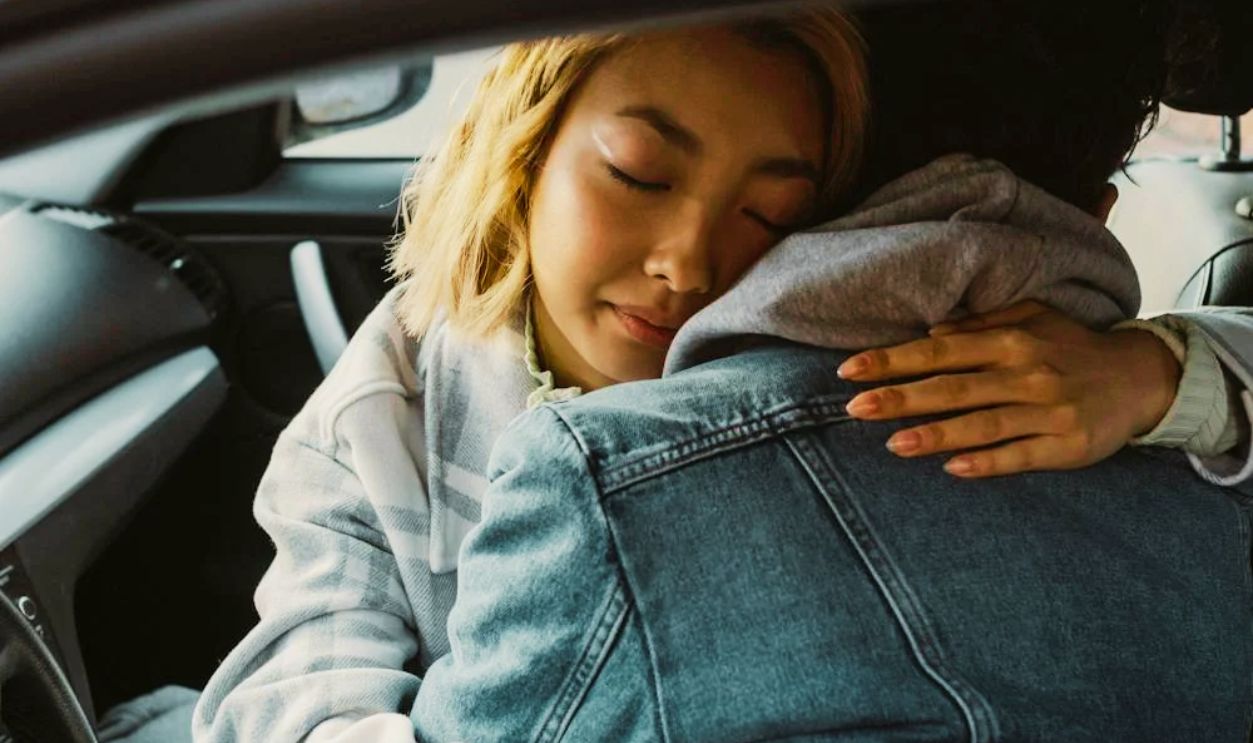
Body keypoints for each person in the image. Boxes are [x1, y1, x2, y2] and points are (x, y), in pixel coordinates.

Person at [97, 3, 1248, 743]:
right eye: (637, 174)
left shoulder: (876, 379)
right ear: (525, 144)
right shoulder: (388, 389)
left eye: (768, 213)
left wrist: (1162, 373)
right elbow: (305, 656)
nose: (686, 260)